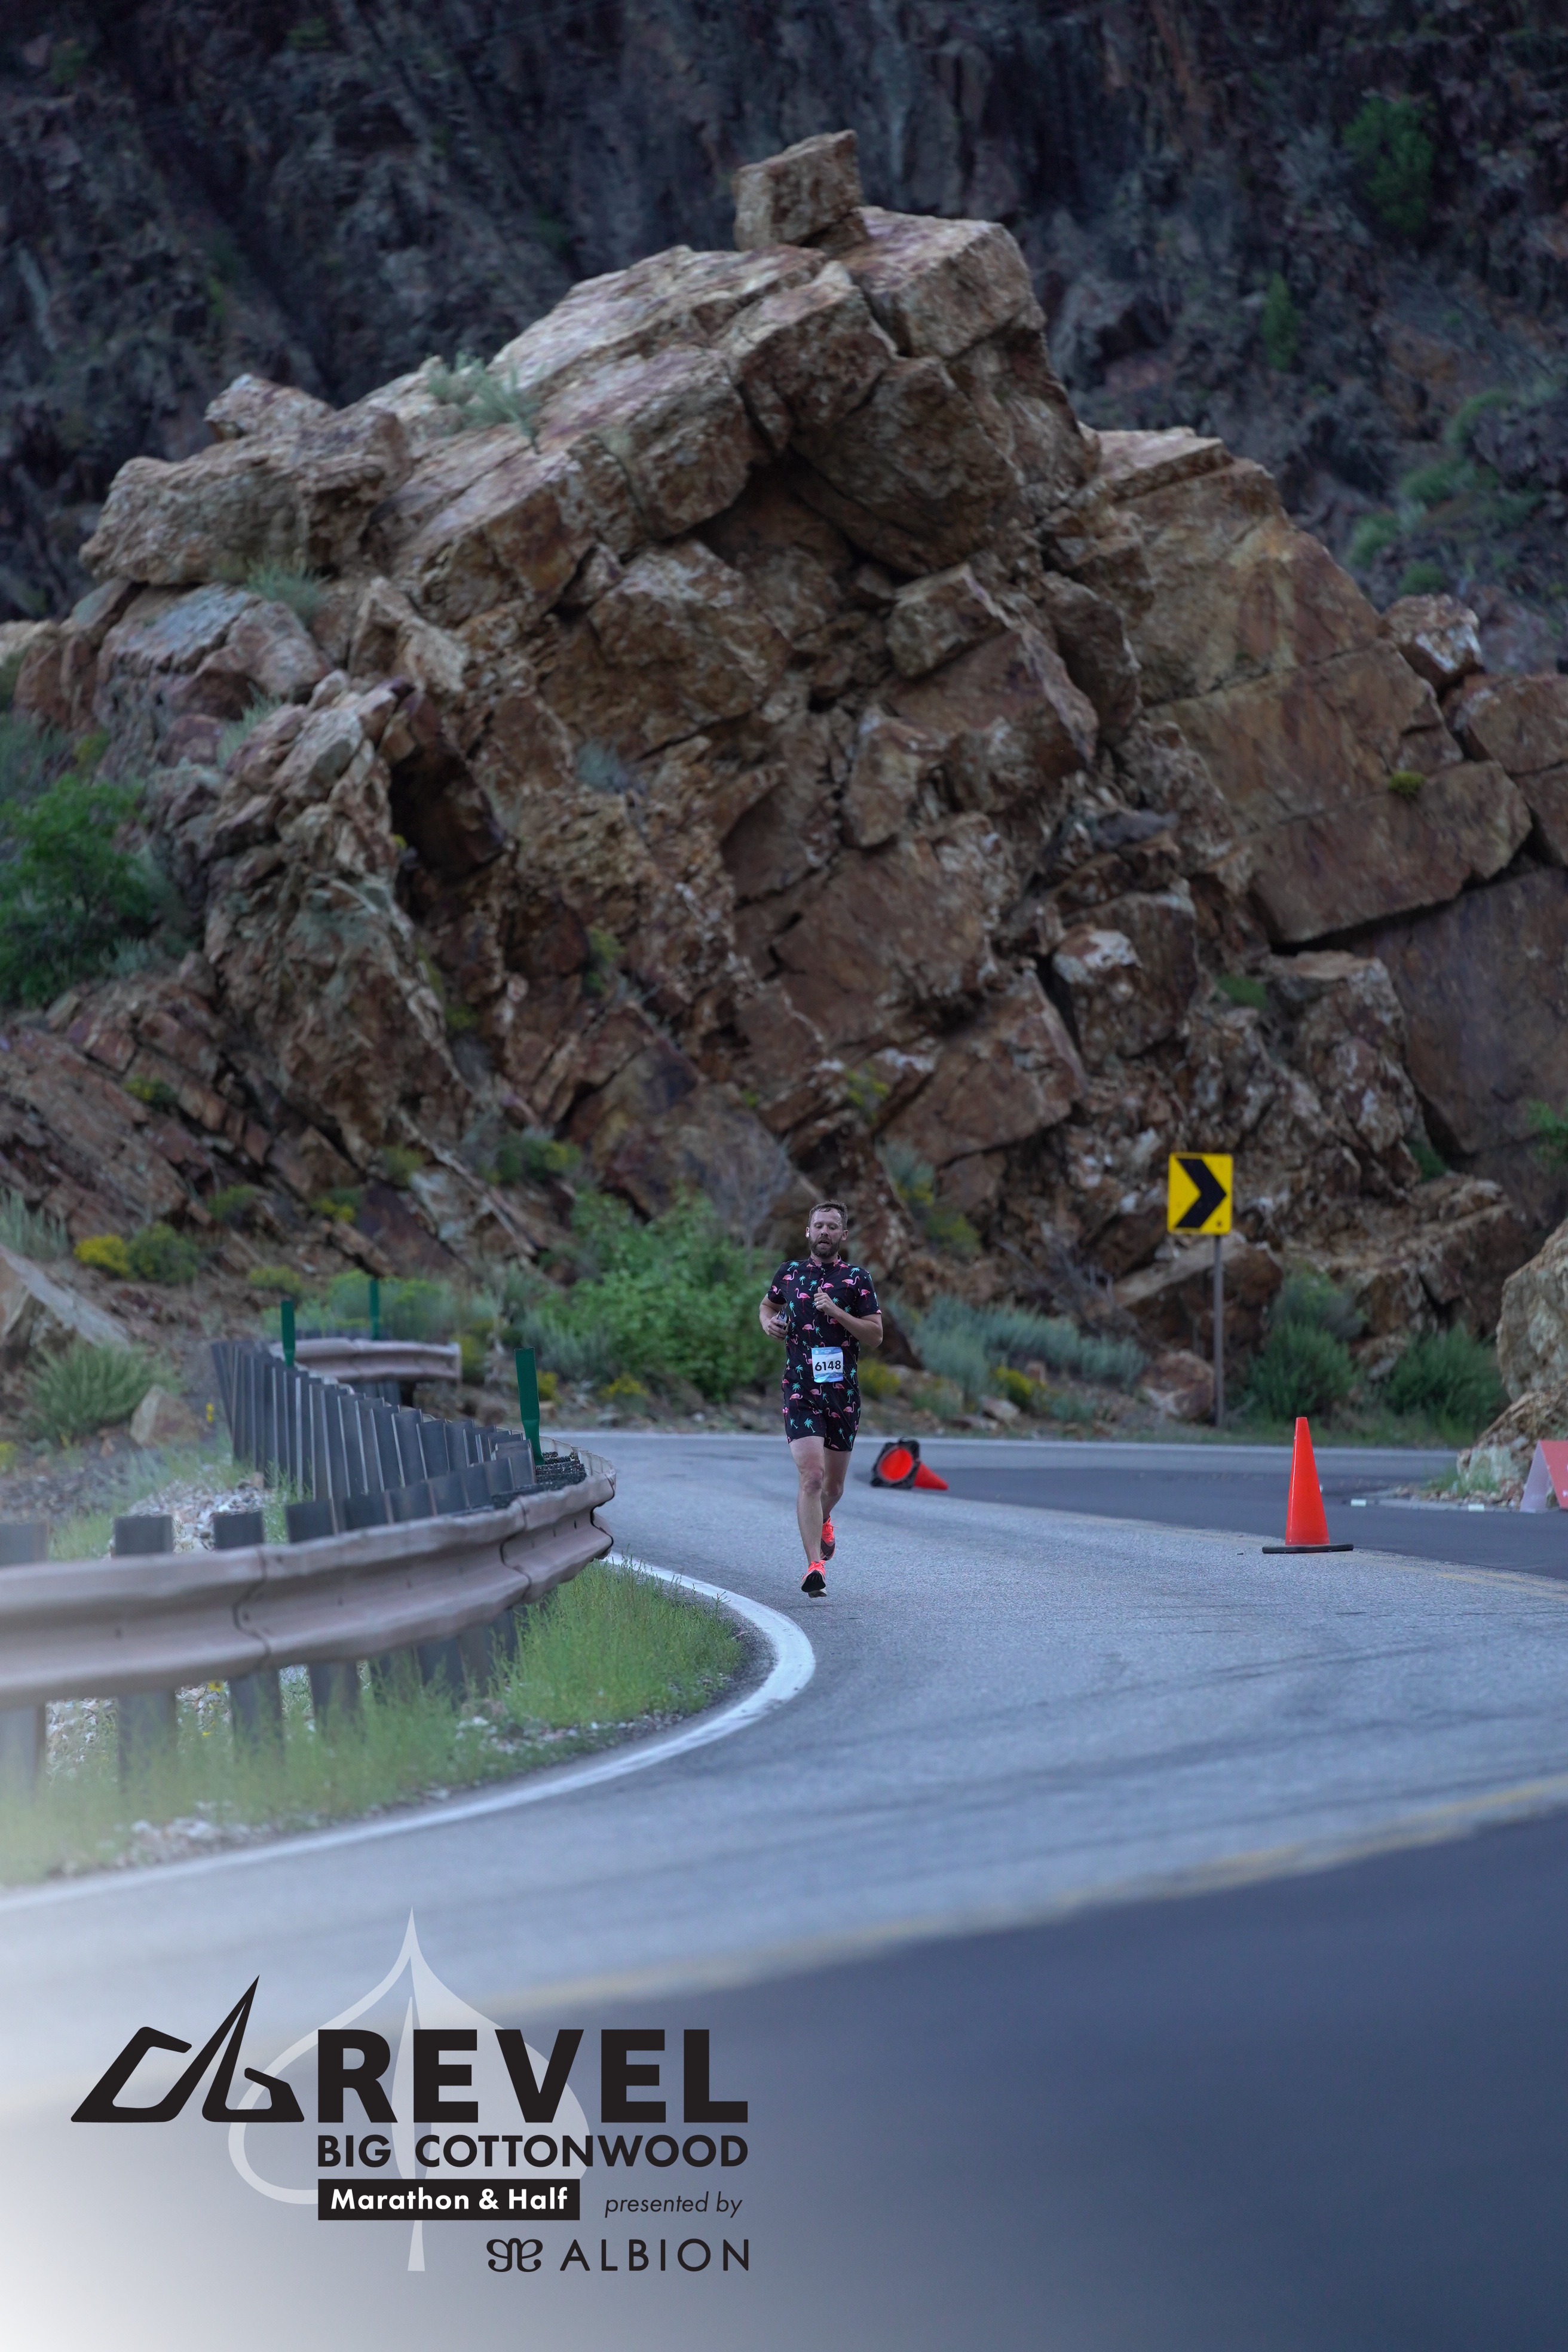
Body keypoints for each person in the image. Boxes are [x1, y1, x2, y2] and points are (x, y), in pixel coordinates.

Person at [759, 1200, 883, 1596]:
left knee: (833, 1487)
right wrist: (768, 1323)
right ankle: (815, 1566)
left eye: (832, 1226)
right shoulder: (790, 1273)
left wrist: (837, 1312)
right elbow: (768, 1304)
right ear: (808, 1231)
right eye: (819, 1225)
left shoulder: (857, 1279)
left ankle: (823, 1520)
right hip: (799, 1389)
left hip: (842, 1393)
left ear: (843, 1235)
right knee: (811, 1477)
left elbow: (875, 1336)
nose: (825, 1232)